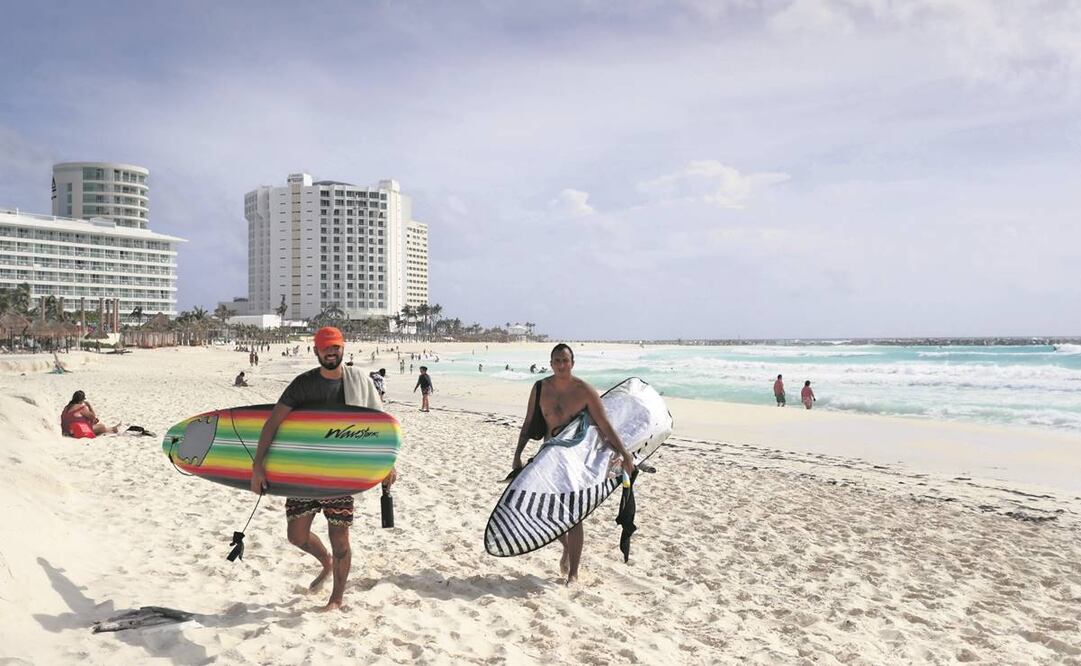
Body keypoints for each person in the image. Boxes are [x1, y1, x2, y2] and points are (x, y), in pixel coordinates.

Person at [250, 326, 395, 612]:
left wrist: (388, 465)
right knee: (296, 536)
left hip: (341, 476)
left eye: (336, 347)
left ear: (343, 348)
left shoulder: (359, 381)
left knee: (340, 539)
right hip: (304, 474)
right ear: (316, 350)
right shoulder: (303, 385)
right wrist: (258, 466)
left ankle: (336, 599)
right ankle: (325, 562)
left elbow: (381, 426)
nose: (331, 352)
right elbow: (272, 423)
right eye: (326, 347)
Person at [512, 343, 635, 585]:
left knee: (574, 515)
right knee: (543, 511)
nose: (561, 365)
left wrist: (625, 453)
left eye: (565, 361)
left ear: (572, 363)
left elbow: (605, 425)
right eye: (556, 361)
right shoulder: (540, 388)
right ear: (551, 363)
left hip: (575, 460)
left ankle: (573, 573)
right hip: (549, 456)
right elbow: (528, 423)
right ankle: (567, 547)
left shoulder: (584, 391)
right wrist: (517, 454)